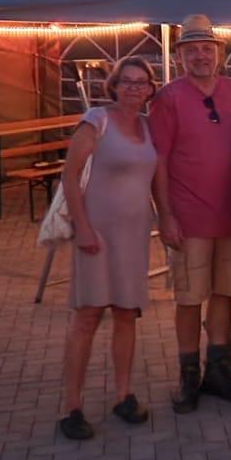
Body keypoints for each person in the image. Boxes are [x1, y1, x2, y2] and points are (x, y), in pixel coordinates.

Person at [150, 14, 231, 412]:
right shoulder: (168, 98)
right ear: (179, 56)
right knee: (190, 297)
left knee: (224, 292)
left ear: (218, 53)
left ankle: (218, 368)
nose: (200, 56)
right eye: (191, 50)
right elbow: (158, 161)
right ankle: (189, 372)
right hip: (189, 217)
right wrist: (165, 215)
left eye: (206, 49)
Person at [57, 57, 160, 440]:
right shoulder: (96, 121)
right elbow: (69, 175)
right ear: (114, 86)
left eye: (141, 82)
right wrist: (82, 227)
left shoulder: (149, 127)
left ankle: (123, 394)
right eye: (126, 81)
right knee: (87, 316)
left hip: (133, 237)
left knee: (126, 313)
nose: (134, 88)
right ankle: (72, 406)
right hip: (97, 236)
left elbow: (155, 181)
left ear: (150, 89)